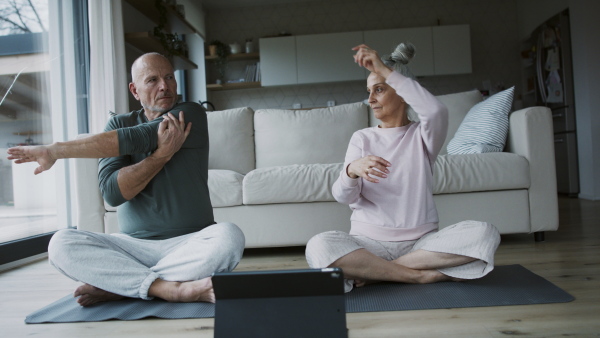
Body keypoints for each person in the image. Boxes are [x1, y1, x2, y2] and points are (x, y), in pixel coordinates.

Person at [7, 53, 245, 306]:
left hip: (192, 242)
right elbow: (113, 194)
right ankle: (169, 288)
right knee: (60, 244)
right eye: (152, 80)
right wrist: (162, 155)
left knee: (230, 236)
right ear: (135, 90)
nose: (164, 86)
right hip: (132, 248)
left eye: (168, 78)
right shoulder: (117, 124)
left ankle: (124, 286)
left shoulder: (190, 114)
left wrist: (54, 150)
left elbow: (137, 138)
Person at [305, 43, 500, 292]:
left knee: (485, 234)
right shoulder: (361, 138)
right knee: (318, 246)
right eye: (368, 91)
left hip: (422, 245)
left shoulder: (423, 136)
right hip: (367, 245)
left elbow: (435, 110)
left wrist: (385, 70)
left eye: (379, 89)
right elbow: (343, 196)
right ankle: (417, 276)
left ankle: (378, 274)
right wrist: (351, 171)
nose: (370, 99)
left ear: (402, 93)